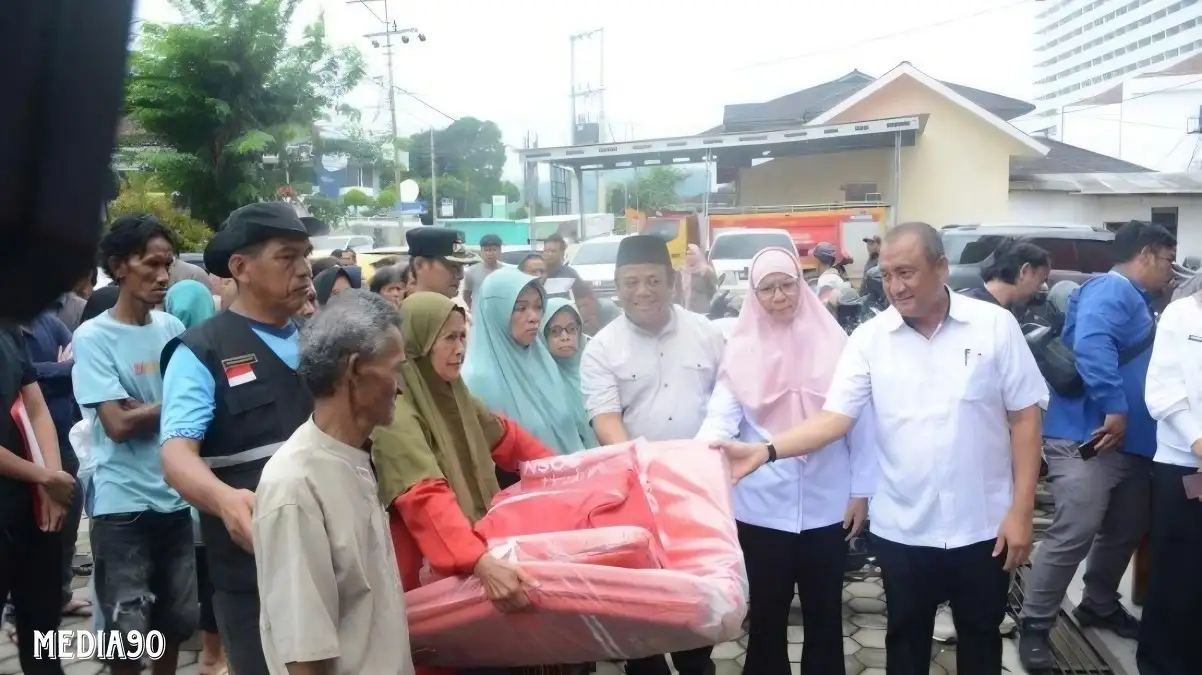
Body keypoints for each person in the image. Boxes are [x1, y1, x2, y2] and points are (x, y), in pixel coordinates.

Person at [712, 222, 1046, 675]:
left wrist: (1021, 510)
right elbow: (837, 419)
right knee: (905, 643)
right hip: (903, 529)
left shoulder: (993, 326)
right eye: (886, 274)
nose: (895, 286)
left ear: (942, 268)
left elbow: (1025, 417)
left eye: (906, 272)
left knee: (981, 638)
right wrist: (766, 451)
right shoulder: (870, 340)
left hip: (983, 525)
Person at [696, 247, 876, 675]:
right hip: (761, 509)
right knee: (766, 620)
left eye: (787, 284)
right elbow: (719, 421)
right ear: (753, 296)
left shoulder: (838, 344)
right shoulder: (740, 351)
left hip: (827, 506)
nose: (779, 296)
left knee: (824, 617)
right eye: (767, 288)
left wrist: (861, 492)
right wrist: (694, 468)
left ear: (801, 282)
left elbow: (861, 423)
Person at [160, 202, 318, 675]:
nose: (305, 269)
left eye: (306, 256)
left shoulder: (321, 340)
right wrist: (225, 501)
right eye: (287, 256)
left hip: (332, 555)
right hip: (253, 569)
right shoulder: (201, 351)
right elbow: (176, 456)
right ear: (241, 268)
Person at [370, 292, 559, 675]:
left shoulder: (454, 393)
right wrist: (477, 561)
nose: (459, 349)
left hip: (477, 549)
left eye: (462, 337)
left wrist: (564, 472)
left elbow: (506, 437)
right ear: (419, 345)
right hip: (428, 562)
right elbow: (424, 498)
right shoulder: (396, 413)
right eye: (448, 339)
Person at [1019, 220, 1176, 670]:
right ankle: (1035, 624)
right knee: (1074, 530)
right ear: (1145, 254)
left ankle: (1099, 603)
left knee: (1126, 527)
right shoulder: (1113, 290)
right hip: (1091, 437)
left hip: (1129, 447)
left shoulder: (1139, 299)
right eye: (1166, 260)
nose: (1170, 270)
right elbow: (1091, 344)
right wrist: (1114, 406)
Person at [580, 234, 725, 675]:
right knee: (642, 610)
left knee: (695, 608)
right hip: (634, 496)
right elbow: (606, 420)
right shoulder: (602, 348)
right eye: (630, 282)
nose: (641, 291)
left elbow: (726, 404)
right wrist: (643, 471)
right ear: (617, 286)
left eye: (652, 280)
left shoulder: (708, 335)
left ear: (671, 281)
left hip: (700, 494)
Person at [255, 291, 414, 675]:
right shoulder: (295, 486)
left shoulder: (356, 457)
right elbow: (305, 656)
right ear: (356, 369)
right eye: (396, 370)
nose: (401, 387)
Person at [72, 215, 198, 675]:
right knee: (127, 629)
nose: (163, 276)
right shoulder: (93, 336)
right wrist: (172, 404)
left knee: (176, 621)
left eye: (168, 265)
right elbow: (118, 425)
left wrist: (141, 407)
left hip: (175, 495)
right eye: (151, 264)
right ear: (118, 266)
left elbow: (194, 408)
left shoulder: (170, 329)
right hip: (121, 503)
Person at [0, 319, 74, 675]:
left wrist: (53, 482)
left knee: (43, 631)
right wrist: (44, 476)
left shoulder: (9, 329)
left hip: (31, 508)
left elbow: (35, 406)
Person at [462, 268, 598, 456]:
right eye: (521, 308)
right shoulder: (478, 381)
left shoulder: (544, 363)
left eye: (538, 306)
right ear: (495, 311)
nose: (534, 317)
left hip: (576, 476)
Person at [162, 280, 226, 675]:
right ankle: (211, 656)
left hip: (189, 497)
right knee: (210, 583)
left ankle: (210, 656)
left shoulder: (188, 344)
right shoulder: (202, 349)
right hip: (200, 498)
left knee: (203, 581)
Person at [1138, 290, 1202, 675]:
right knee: (1178, 572)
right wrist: (1197, 440)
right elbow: (1163, 390)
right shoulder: (1181, 316)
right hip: (1183, 462)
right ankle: (1163, 666)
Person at [20, 309, 87, 618]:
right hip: (20, 448)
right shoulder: (10, 331)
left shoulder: (48, 321)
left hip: (63, 439)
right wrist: (57, 368)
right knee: (28, 530)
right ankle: (16, 610)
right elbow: (24, 381)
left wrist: (51, 371)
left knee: (68, 520)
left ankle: (61, 595)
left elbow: (80, 362)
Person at [962, 238, 1050, 312]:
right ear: (1025, 271)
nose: (1042, 288)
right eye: (1040, 281)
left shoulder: (964, 302)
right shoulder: (993, 316)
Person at [542, 233, 598, 331]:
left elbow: (586, 303)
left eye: (553, 251)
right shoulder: (537, 274)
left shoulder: (570, 276)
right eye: (546, 251)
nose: (549, 254)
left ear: (562, 253)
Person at [406, 228, 479, 298]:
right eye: (452, 266)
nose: (461, 276)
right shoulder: (412, 309)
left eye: (461, 267)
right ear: (421, 265)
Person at [463, 233, 505, 308]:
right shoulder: (471, 271)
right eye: (486, 250)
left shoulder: (505, 271)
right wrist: (472, 309)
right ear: (481, 252)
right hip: (479, 316)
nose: (490, 253)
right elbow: (466, 295)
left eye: (494, 250)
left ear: (500, 251)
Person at [676, 244, 718, 313]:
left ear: (698, 255)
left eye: (692, 254)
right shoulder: (681, 272)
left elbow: (712, 289)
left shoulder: (706, 271)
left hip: (701, 311)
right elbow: (676, 293)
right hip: (684, 311)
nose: (690, 257)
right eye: (687, 254)